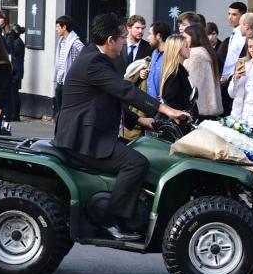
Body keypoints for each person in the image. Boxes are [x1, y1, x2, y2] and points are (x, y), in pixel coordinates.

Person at [54, 13, 191, 241]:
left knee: (141, 150)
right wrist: (167, 110)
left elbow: (109, 98)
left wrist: (139, 120)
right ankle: (111, 220)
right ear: (110, 40)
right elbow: (125, 91)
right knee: (136, 163)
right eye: (122, 37)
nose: (124, 42)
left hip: (91, 133)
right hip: (82, 139)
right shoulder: (93, 62)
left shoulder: (93, 56)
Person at [182, 24, 223, 119]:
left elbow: (192, 84)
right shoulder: (207, 52)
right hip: (207, 107)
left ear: (194, 38)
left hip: (198, 108)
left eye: (185, 37)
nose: (183, 41)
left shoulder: (195, 55)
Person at [219, 2, 249, 116]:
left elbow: (242, 58)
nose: (230, 17)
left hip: (234, 79)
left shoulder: (243, 36)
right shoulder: (235, 33)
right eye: (229, 14)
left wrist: (231, 76)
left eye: (234, 15)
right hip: (227, 79)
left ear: (242, 16)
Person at [53, 15, 85, 119]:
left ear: (64, 27)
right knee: (59, 111)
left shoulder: (76, 43)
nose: (56, 29)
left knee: (66, 113)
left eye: (58, 26)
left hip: (70, 83)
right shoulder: (61, 41)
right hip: (60, 82)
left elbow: (85, 58)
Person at [0, 10, 25, 122]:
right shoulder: (5, 33)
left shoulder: (11, 36)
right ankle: (13, 114)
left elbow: (9, 51)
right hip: (13, 68)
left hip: (14, 69)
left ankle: (14, 115)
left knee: (13, 92)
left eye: (0, 18)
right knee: (12, 92)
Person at [159, 34, 195, 113]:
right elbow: (170, 102)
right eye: (186, 47)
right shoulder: (175, 73)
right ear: (177, 49)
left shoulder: (178, 71)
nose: (189, 49)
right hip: (179, 121)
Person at [143, 22, 171, 98]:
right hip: (150, 104)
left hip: (164, 106)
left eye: (150, 34)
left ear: (158, 36)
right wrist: (145, 74)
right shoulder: (154, 53)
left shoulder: (171, 55)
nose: (148, 37)